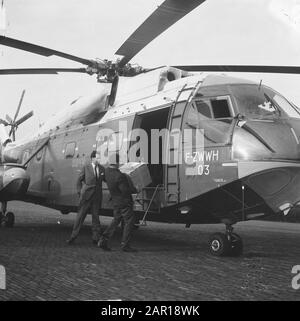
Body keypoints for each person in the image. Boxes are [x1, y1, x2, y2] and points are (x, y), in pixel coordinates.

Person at [98, 153, 138, 252]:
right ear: (116, 162)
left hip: (116, 201)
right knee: (129, 222)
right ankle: (125, 244)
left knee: (116, 220)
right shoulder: (119, 175)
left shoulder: (107, 172)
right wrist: (135, 189)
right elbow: (125, 191)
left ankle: (103, 240)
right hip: (125, 202)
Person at [67, 150, 105, 245]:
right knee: (80, 217)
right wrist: (80, 192)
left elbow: (107, 180)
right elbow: (78, 181)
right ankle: (73, 236)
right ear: (92, 158)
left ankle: (95, 238)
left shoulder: (102, 169)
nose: (99, 159)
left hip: (96, 197)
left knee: (96, 218)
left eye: (100, 157)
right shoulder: (86, 167)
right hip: (86, 196)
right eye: (97, 157)